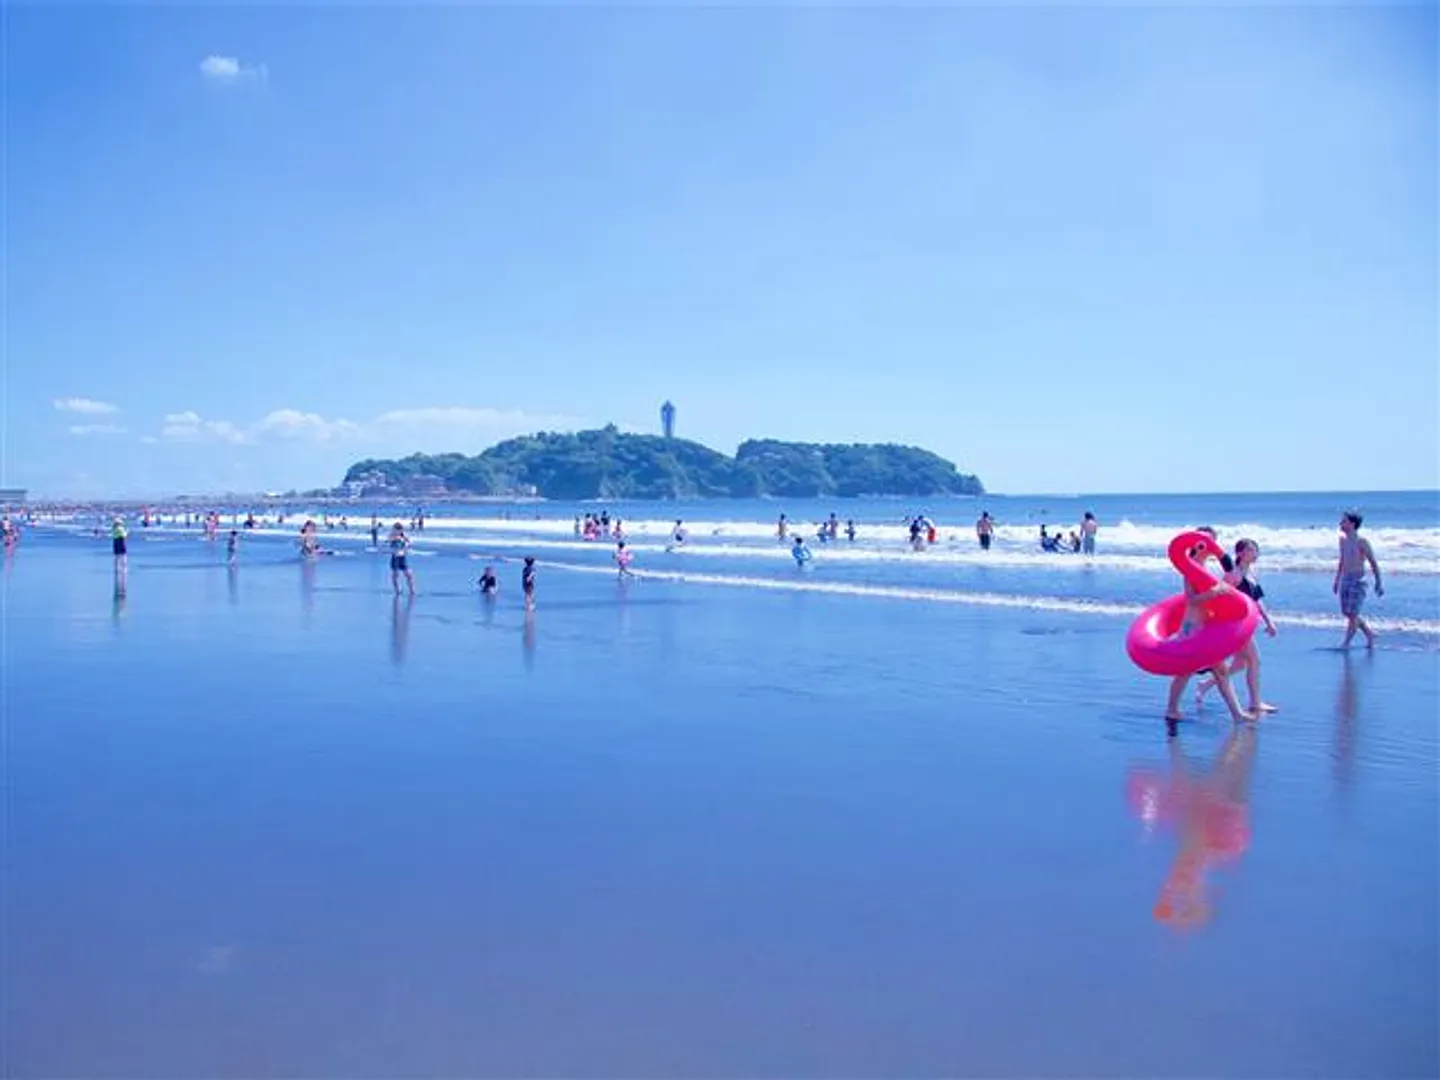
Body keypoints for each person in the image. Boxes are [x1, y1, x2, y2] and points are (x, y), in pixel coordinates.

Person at [1164, 537, 1255, 724]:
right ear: (1198, 547)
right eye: (1208, 543)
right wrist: (1214, 593)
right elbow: (1191, 600)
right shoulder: (1189, 571)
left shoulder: (1205, 571)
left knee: (1220, 670)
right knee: (1185, 672)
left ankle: (1237, 713)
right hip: (1191, 630)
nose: (1213, 547)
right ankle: (1171, 709)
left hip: (1206, 630)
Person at [1196, 539, 1278, 715]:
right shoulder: (1234, 574)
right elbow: (1219, 596)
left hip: (1247, 625)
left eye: (1256, 550)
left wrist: (1269, 621)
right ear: (1240, 553)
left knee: (1241, 664)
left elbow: (1258, 601)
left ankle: (1205, 685)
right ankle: (1255, 702)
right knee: (1255, 661)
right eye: (1250, 550)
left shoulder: (1251, 575)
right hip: (1235, 625)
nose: (1254, 553)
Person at [1334, 511, 1383, 648]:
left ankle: (1346, 643)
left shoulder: (1362, 542)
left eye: (1344, 521)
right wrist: (1336, 580)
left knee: (1354, 613)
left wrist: (1379, 583)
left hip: (1358, 580)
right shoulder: (1342, 541)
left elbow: (1373, 562)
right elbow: (1342, 561)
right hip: (1346, 578)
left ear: (1352, 524)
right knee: (1347, 612)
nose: (1340, 524)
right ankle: (1369, 633)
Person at [388, 522, 415, 596]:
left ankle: (412, 590)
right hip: (395, 557)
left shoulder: (404, 536)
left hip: (402, 557)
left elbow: (409, 543)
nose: (397, 531)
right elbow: (390, 540)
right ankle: (397, 590)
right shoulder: (391, 535)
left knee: (409, 574)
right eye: (395, 529)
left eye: (399, 530)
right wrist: (398, 538)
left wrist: (407, 544)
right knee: (395, 575)